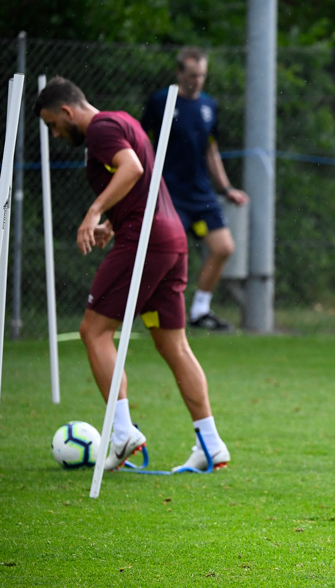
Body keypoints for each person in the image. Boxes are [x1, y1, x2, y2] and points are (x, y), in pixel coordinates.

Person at [34, 77, 231, 472]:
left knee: (94, 331)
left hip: (146, 242)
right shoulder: (123, 121)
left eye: (53, 124)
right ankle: (211, 444)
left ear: (68, 111)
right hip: (169, 238)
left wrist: (94, 213)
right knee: (173, 345)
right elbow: (141, 184)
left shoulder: (101, 130)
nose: (55, 133)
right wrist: (114, 222)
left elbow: (133, 167)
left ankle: (122, 434)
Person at [141, 47, 248, 331]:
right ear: (179, 73)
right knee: (168, 254)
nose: (198, 81)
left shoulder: (209, 106)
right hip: (169, 194)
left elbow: (211, 151)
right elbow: (143, 145)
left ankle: (200, 310)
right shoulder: (160, 102)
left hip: (201, 194)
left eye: (202, 75)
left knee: (224, 248)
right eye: (192, 75)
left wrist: (226, 189)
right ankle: (151, 308)